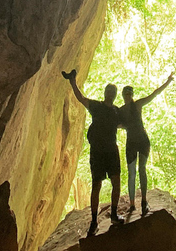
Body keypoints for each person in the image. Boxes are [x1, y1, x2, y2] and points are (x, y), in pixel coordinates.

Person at [63, 69, 124, 236]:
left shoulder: (116, 111)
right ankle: (94, 221)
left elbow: (123, 124)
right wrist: (73, 82)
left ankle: (113, 214)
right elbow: (81, 98)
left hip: (110, 150)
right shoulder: (96, 106)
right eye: (109, 92)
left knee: (116, 182)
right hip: (98, 151)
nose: (110, 94)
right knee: (96, 185)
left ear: (115, 95)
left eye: (113, 92)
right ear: (105, 93)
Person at [119, 72, 174, 216]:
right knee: (132, 173)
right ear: (124, 96)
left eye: (129, 94)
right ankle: (133, 203)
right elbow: (117, 124)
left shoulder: (135, 106)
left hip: (140, 141)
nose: (127, 97)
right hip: (136, 141)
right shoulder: (125, 109)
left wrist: (167, 82)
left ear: (130, 95)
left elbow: (154, 94)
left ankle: (143, 201)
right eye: (126, 94)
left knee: (141, 170)